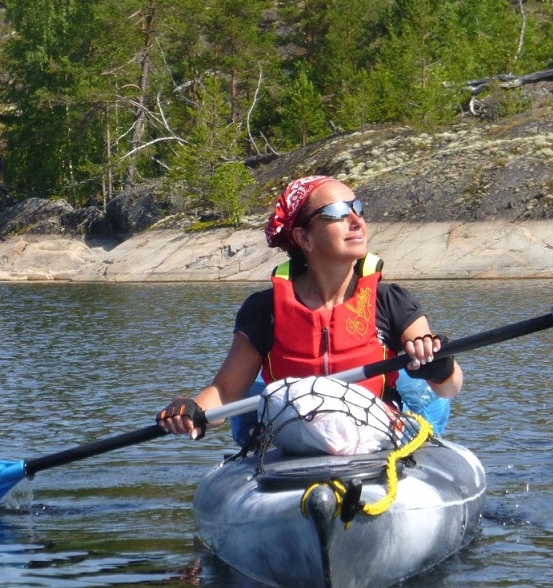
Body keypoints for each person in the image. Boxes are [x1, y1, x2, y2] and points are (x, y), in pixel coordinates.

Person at [157, 175, 462, 440]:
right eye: (337, 213)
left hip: (374, 433)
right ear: (303, 237)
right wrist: (192, 409)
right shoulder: (264, 310)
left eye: (358, 209)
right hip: (292, 437)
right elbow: (225, 392)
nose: (356, 221)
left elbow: (449, 389)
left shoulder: (390, 301)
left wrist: (440, 367)